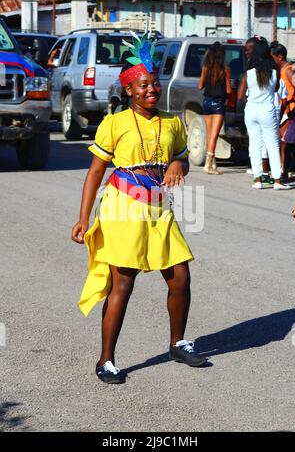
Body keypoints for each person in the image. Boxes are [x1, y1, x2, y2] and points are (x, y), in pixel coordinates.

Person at [71, 32, 208, 384]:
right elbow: (95, 174)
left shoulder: (172, 121)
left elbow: (180, 158)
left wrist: (180, 165)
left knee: (180, 277)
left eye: (155, 83)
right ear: (129, 90)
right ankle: (106, 360)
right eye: (143, 85)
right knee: (123, 283)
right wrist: (83, 219)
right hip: (123, 207)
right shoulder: (114, 123)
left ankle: (177, 343)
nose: (151, 89)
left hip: (159, 207)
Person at [238, 39, 290, 190]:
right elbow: (276, 90)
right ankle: (278, 181)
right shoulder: (275, 73)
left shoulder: (248, 73)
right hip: (267, 110)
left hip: (251, 110)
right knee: (272, 145)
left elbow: (240, 95)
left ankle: (257, 179)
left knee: (254, 144)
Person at [198, 42, 231, 174]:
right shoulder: (226, 69)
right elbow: (228, 90)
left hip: (206, 102)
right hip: (218, 103)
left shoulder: (206, 67)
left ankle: (213, 164)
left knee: (209, 134)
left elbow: (200, 86)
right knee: (214, 136)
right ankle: (208, 165)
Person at [271, 42, 295, 183]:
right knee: (292, 145)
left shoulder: (289, 70)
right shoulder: (281, 71)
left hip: (293, 111)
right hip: (288, 110)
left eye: (273, 57)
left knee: (286, 144)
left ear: (280, 57)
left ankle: (284, 173)